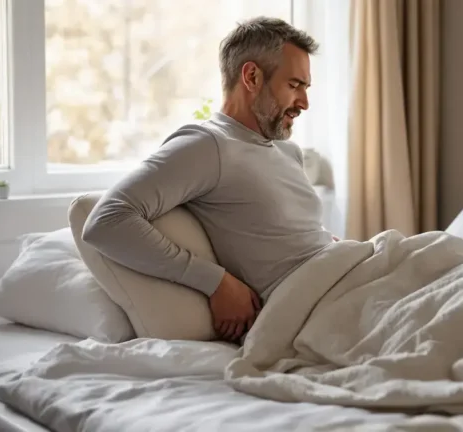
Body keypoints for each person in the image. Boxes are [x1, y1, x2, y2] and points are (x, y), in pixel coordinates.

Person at [81, 17, 335, 343]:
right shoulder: (208, 146)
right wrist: (216, 282)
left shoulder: (288, 152)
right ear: (252, 76)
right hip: (317, 303)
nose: (304, 103)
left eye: (305, 87)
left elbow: (293, 238)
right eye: (294, 85)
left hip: (347, 272)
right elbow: (105, 221)